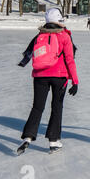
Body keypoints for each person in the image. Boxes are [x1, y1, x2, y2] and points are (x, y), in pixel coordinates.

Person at [17, 8, 79, 155]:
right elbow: (70, 60)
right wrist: (75, 81)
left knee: (37, 107)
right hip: (59, 77)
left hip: (39, 76)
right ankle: (53, 141)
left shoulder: (40, 35)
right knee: (56, 107)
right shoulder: (64, 36)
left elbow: (29, 54)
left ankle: (27, 136)